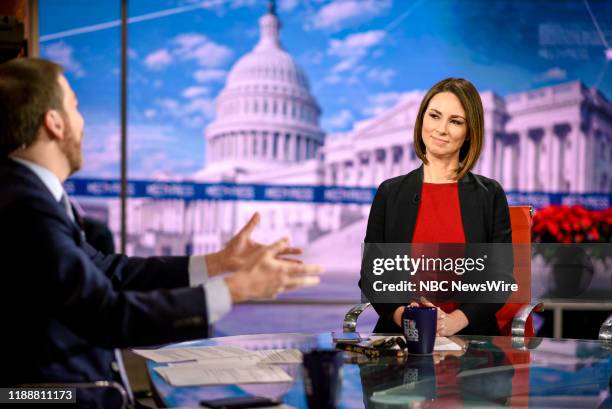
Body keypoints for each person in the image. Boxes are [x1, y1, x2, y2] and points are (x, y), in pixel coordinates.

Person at [0, 58, 323, 389]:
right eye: (75, 106)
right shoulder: (25, 206)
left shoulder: (30, 196)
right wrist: (237, 288)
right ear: (54, 122)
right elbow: (107, 314)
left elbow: (111, 272)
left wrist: (218, 263)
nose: (82, 122)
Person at [362, 77, 512, 336]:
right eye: (434, 116)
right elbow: (372, 277)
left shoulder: (490, 194)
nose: (441, 129)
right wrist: (406, 317)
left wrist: (454, 321)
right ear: (422, 120)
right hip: (401, 335)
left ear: (469, 133)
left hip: (471, 339)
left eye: (455, 121)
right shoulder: (390, 192)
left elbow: (500, 280)